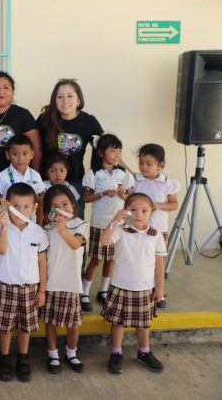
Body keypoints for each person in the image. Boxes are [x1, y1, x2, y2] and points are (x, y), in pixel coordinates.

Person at [100, 193, 166, 374]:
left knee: (143, 323)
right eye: (133, 209)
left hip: (144, 287)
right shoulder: (121, 230)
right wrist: (114, 220)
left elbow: (159, 263)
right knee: (118, 322)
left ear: (151, 213)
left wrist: (160, 288)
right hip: (121, 285)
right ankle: (116, 352)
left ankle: (144, 352)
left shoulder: (156, 235)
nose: (138, 214)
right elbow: (105, 241)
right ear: (125, 211)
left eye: (144, 210)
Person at [0, 183, 48, 382]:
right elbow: (1, 251)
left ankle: (23, 358)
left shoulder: (38, 232)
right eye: (15, 206)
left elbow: (42, 262)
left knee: (26, 326)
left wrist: (42, 290)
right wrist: (5, 227)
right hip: (7, 286)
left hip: (30, 288)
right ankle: (4, 358)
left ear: (34, 208)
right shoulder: (0, 226)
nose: (20, 211)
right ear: (7, 206)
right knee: (6, 327)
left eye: (26, 206)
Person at [81, 134, 134, 312]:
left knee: (111, 259)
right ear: (101, 153)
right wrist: (103, 194)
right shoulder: (93, 173)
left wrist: (122, 194)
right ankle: (84, 292)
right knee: (96, 259)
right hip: (100, 222)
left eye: (119, 150)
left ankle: (103, 291)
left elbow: (130, 199)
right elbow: (87, 198)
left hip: (118, 223)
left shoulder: (124, 173)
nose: (117, 154)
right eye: (113, 150)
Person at [36, 79, 104, 216]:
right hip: (48, 181)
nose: (65, 101)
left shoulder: (88, 122)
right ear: (54, 100)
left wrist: (126, 170)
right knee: (48, 220)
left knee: (75, 220)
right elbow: (34, 150)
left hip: (76, 180)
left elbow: (107, 148)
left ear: (79, 100)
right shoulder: (44, 120)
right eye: (60, 96)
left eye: (70, 96)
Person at [40, 185, 89, 374]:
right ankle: (52, 354)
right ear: (48, 211)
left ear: (74, 204)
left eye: (65, 204)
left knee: (74, 325)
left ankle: (71, 352)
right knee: (50, 323)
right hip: (52, 282)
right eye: (55, 206)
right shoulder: (46, 229)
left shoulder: (81, 225)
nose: (61, 209)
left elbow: (76, 244)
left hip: (72, 284)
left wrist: (63, 230)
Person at [133, 144, 179, 309]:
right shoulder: (136, 180)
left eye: (149, 163)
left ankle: (159, 291)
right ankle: (141, 288)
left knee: (158, 260)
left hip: (159, 229)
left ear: (161, 164)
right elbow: (129, 199)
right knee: (139, 258)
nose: (143, 167)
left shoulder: (167, 183)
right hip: (137, 228)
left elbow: (174, 204)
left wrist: (158, 205)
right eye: (141, 162)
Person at [0, 71, 42, 188]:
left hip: (16, 181)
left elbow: (36, 149)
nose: (1, 92)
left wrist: (33, 178)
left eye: (6, 87)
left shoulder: (22, 115)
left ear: (12, 92)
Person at [0, 135, 45, 216]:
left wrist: (39, 225)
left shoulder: (36, 176)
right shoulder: (3, 176)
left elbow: (41, 201)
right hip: (9, 223)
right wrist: (8, 213)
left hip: (30, 222)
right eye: (15, 154)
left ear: (32, 154)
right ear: (8, 155)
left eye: (25, 154)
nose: (20, 158)